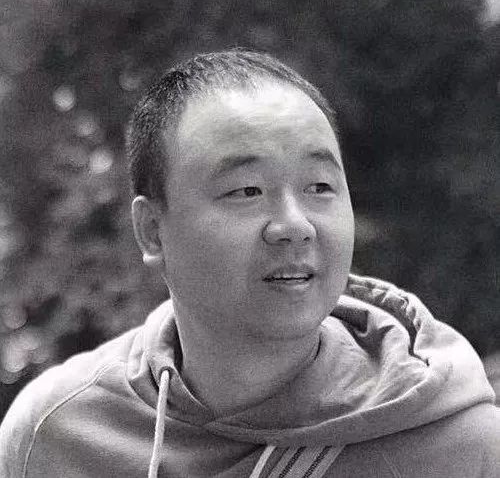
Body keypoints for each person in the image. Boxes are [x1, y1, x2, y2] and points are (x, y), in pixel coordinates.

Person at [0, 49, 499, 478]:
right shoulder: (56, 435)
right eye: (246, 191)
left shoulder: (460, 446)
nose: (295, 225)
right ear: (152, 230)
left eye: (320, 186)